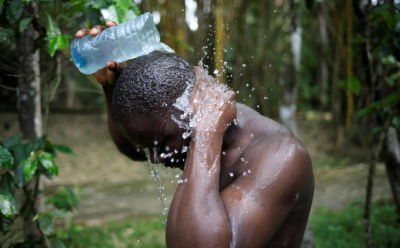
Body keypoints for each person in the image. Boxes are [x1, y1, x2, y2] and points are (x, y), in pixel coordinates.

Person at [75, 22, 314, 248]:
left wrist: (207, 132)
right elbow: (134, 148)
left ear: (194, 116)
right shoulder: (184, 129)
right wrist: (111, 87)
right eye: (151, 148)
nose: (155, 159)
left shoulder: (281, 156)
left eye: (161, 145)